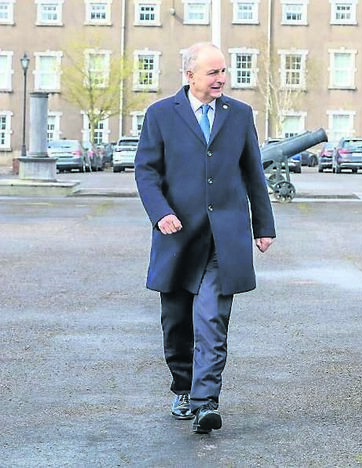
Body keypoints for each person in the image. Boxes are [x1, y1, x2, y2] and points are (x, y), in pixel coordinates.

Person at [135, 42, 275, 435]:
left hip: (224, 238)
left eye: (223, 71)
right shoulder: (161, 115)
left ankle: (206, 402)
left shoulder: (240, 114)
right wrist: (161, 213)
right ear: (190, 75)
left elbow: (253, 174)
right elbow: (146, 171)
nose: (221, 79)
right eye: (213, 72)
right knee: (177, 323)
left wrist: (263, 227)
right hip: (178, 236)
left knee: (212, 318)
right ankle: (183, 387)